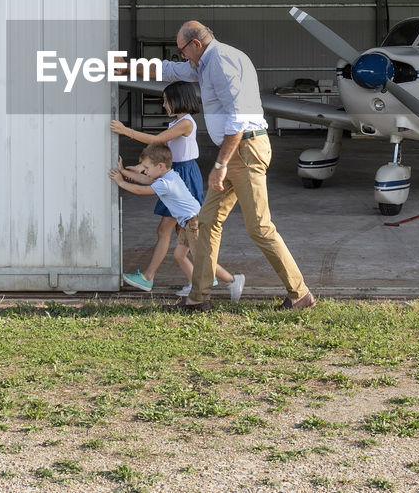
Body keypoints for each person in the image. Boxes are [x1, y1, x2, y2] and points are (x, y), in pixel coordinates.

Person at [153, 21, 315, 312]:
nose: (182, 57)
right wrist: (124, 65)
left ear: (196, 45)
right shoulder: (206, 63)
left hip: (245, 149)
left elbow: (239, 118)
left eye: (182, 51)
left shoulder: (221, 62)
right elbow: (172, 70)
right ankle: (198, 298)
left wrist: (220, 164)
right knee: (207, 222)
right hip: (235, 151)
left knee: (259, 228)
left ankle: (300, 293)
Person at [111, 81, 241, 297]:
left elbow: (156, 140)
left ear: (177, 100)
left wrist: (126, 131)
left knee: (173, 233)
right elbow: (162, 153)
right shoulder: (177, 123)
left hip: (183, 175)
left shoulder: (186, 123)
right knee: (180, 237)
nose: (163, 105)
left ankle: (151, 277)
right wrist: (142, 168)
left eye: (165, 100)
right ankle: (205, 279)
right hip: (176, 172)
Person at [109, 144, 245, 303]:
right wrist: (123, 172)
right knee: (179, 255)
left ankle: (233, 281)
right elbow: (146, 179)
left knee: (202, 260)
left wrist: (120, 182)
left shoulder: (166, 184)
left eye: (146, 167)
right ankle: (194, 284)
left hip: (194, 223)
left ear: (160, 166)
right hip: (189, 223)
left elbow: (141, 190)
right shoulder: (169, 175)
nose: (144, 170)